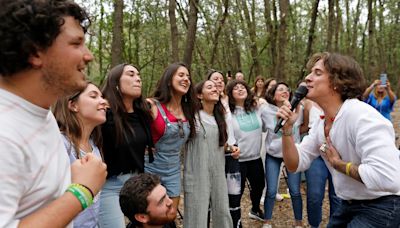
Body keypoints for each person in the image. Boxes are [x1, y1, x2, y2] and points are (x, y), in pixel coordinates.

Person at [0, 0, 107, 227]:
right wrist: (81, 192)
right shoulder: (4, 133)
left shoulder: (41, 112)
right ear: (34, 51)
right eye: (76, 43)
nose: (88, 56)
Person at [277, 52, 400, 227]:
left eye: (317, 73)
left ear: (337, 83)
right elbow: (294, 164)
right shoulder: (321, 122)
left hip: (383, 205)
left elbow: (388, 178)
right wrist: (287, 131)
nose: (307, 78)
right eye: (310, 72)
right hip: (348, 204)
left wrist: (339, 164)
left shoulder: (362, 117)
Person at [100, 64, 154, 227]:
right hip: (109, 186)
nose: (138, 78)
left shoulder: (142, 114)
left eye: (139, 75)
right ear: (115, 83)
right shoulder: (104, 115)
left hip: (136, 185)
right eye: (131, 74)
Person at [145, 62, 197, 218]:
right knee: (151, 216)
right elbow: (129, 126)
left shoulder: (189, 110)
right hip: (150, 168)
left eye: (188, 76)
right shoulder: (151, 105)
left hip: (174, 169)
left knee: (171, 214)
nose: (186, 79)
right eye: (181, 75)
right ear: (168, 80)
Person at [53, 83, 108, 227]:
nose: (103, 101)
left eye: (102, 96)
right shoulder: (59, 144)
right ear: (73, 105)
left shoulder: (94, 146)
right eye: (93, 96)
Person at [183, 80, 233, 227]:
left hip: (218, 172)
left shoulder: (220, 118)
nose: (215, 89)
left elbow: (219, 144)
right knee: (196, 213)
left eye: (216, 87)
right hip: (196, 172)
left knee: (222, 211)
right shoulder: (192, 117)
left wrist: (231, 149)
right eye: (209, 87)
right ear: (199, 95)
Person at [296, 81, 341, 228]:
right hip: (316, 152)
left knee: (337, 195)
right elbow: (302, 125)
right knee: (314, 195)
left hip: (337, 152)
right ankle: (314, 224)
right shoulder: (307, 103)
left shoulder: (341, 101)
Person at [262, 82, 304, 228]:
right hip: (273, 155)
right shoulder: (265, 111)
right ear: (273, 95)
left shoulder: (299, 108)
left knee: (295, 191)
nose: (285, 91)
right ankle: (267, 221)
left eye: (287, 89)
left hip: (293, 154)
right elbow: (261, 128)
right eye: (280, 89)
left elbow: (303, 127)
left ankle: (298, 222)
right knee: (272, 190)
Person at [226, 80, 267, 223]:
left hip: (255, 157)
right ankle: (234, 220)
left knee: (259, 186)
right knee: (237, 192)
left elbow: (267, 122)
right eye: (235, 88)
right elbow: (227, 135)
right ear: (230, 94)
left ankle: (255, 209)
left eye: (242, 87)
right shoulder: (228, 112)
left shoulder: (256, 109)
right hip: (238, 160)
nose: (240, 89)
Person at [207, 70, 241, 228]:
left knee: (234, 195)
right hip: (214, 155)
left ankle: (236, 224)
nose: (219, 82)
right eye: (215, 79)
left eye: (221, 79)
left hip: (232, 152)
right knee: (213, 197)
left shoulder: (230, 101)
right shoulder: (207, 103)